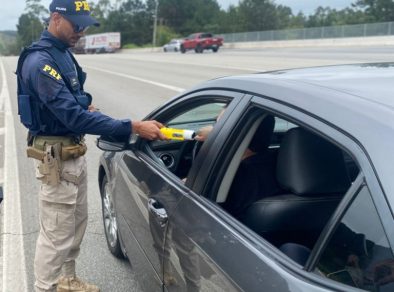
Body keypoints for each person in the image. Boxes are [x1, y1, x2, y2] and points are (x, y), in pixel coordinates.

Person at [16, 1, 166, 291]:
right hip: (56, 160)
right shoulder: (40, 63)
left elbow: (77, 99)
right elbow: (72, 115)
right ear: (56, 18)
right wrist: (132, 127)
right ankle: (44, 287)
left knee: (75, 224)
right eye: (76, 25)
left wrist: (88, 106)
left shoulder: (63, 55)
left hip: (72, 153)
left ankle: (67, 280)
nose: (81, 31)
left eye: (85, 25)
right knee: (55, 234)